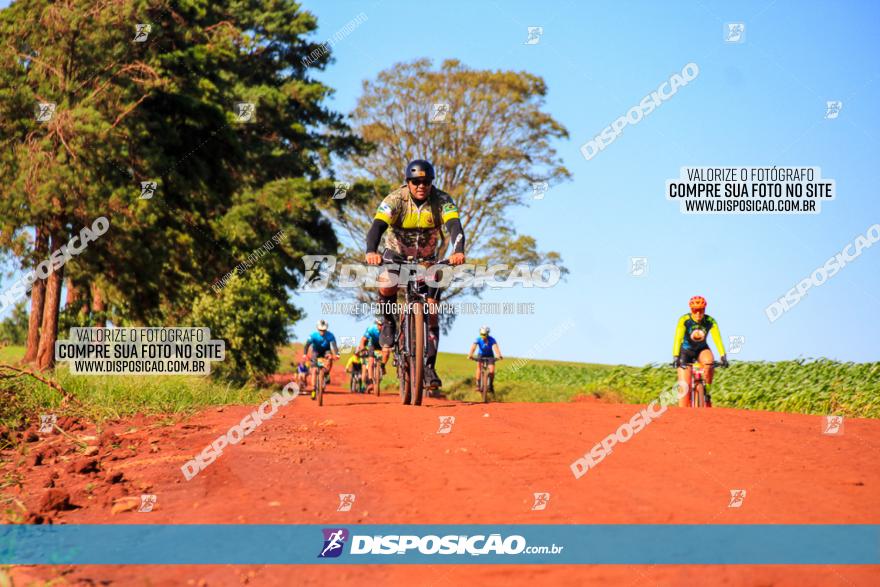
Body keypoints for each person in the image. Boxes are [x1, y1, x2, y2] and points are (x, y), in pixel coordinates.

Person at [364, 159, 466, 389]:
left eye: (426, 181)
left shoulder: (442, 200)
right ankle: (388, 321)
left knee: (431, 309)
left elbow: (455, 227)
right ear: (408, 182)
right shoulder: (395, 199)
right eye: (416, 181)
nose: (421, 186)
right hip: (397, 254)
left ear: (431, 183)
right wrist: (371, 250)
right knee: (387, 280)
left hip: (428, 259)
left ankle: (428, 367)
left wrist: (458, 251)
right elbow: (377, 226)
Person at [672, 296, 728, 407]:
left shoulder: (710, 321)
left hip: (701, 349)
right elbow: (678, 338)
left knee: (709, 363)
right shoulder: (684, 320)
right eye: (695, 311)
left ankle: (706, 392)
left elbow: (717, 339)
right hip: (686, 351)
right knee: (685, 388)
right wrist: (675, 356)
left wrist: (723, 356)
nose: (698, 314)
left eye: (701, 311)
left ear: (704, 310)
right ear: (691, 310)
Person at [303, 319, 339, 396]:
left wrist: (337, 354)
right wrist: (305, 354)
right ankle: (313, 389)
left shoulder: (330, 335)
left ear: (326, 329)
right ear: (317, 329)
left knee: (330, 358)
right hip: (316, 352)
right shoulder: (313, 335)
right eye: (320, 330)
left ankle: (326, 374)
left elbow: (334, 345)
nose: (322, 332)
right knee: (314, 371)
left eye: (324, 330)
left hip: (326, 351)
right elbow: (307, 345)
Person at [468, 326, 503, 394]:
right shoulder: (478, 339)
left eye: (484, 334)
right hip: (481, 355)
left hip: (490, 355)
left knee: (492, 371)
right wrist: (470, 355)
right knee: (479, 367)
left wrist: (499, 355)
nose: (483, 336)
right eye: (481, 334)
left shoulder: (492, 339)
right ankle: (478, 384)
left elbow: (496, 348)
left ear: (487, 334)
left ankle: (490, 385)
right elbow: (473, 348)